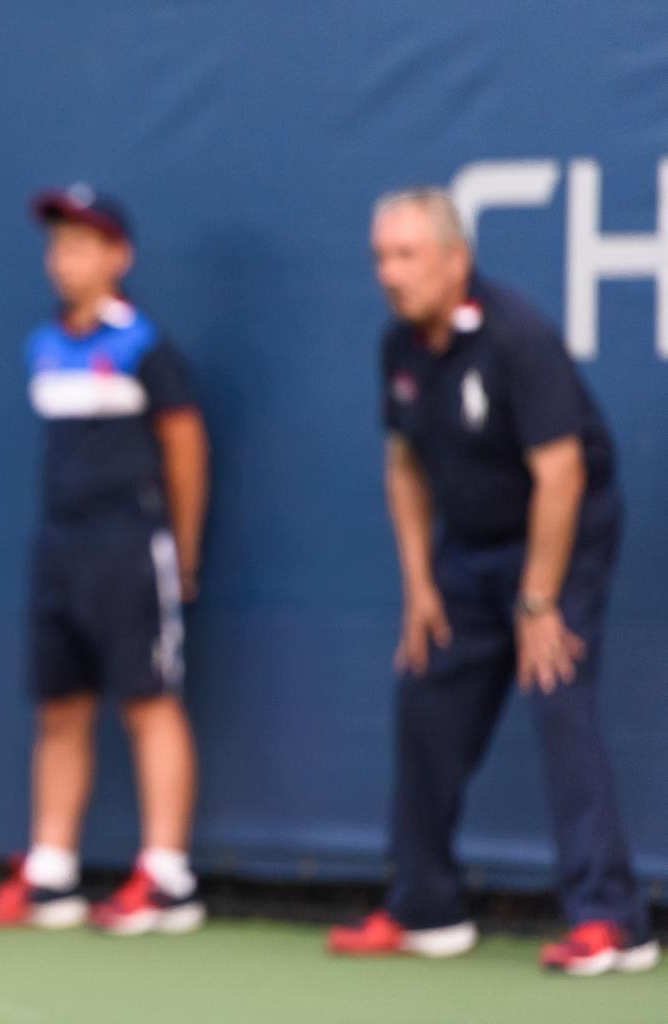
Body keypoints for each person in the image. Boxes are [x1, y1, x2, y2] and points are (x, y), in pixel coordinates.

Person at [327, 188, 659, 977]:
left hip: (561, 537)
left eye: (406, 256)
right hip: (467, 547)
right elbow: (403, 464)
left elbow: (563, 473)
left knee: (557, 695)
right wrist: (420, 585)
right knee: (425, 695)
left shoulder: (519, 338)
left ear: (455, 260)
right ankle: (426, 905)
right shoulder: (400, 347)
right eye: (380, 257)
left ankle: (613, 921)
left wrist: (539, 601)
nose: (389, 274)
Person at [0, 185, 210, 935]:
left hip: (132, 548)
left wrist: (184, 553)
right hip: (60, 550)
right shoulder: (43, 343)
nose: (64, 259)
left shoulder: (145, 344)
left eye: (82, 244)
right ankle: (52, 875)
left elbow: (186, 448)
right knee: (61, 708)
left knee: (148, 702)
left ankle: (168, 878)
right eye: (57, 244)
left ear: (118, 257)